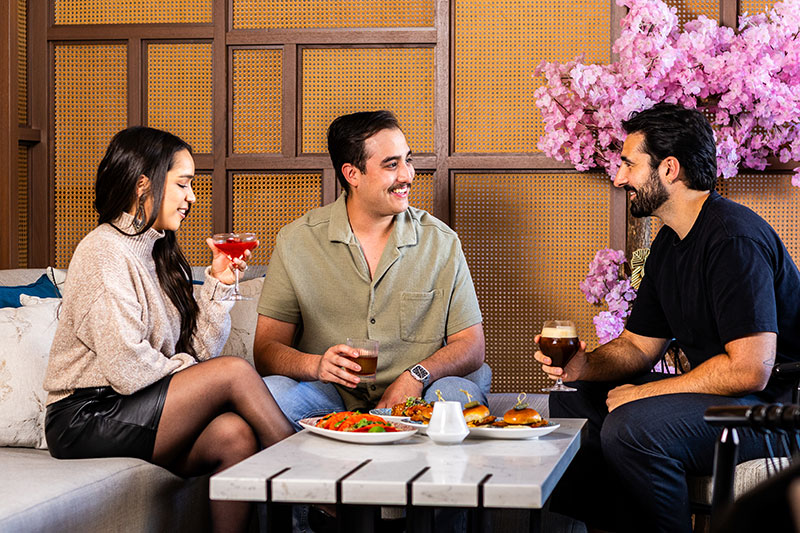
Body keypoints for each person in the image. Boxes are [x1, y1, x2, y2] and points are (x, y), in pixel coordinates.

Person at [534, 103, 800, 532]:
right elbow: (638, 346)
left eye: (628, 164)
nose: (619, 178)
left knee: (631, 427)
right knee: (572, 401)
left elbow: (751, 369)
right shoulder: (669, 244)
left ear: (669, 169)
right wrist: (585, 366)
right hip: (726, 400)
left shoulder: (733, 239)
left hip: (774, 414)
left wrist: (644, 395)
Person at [43, 126, 294, 533]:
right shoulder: (103, 251)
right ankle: (323, 489)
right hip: (85, 417)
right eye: (183, 184)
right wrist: (201, 374)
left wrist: (219, 286)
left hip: (133, 403)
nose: (192, 197)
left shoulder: (159, 253)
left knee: (234, 435)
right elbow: (127, 368)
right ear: (143, 184)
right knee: (233, 372)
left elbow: (199, 354)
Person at [253, 110, 491, 428]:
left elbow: (471, 346)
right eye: (392, 165)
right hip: (328, 394)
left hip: (419, 393)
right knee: (266, 394)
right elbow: (266, 350)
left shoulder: (442, 242)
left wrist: (416, 375)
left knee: (454, 396)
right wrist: (317, 365)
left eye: (407, 160)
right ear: (352, 174)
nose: (407, 175)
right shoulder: (297, 240)